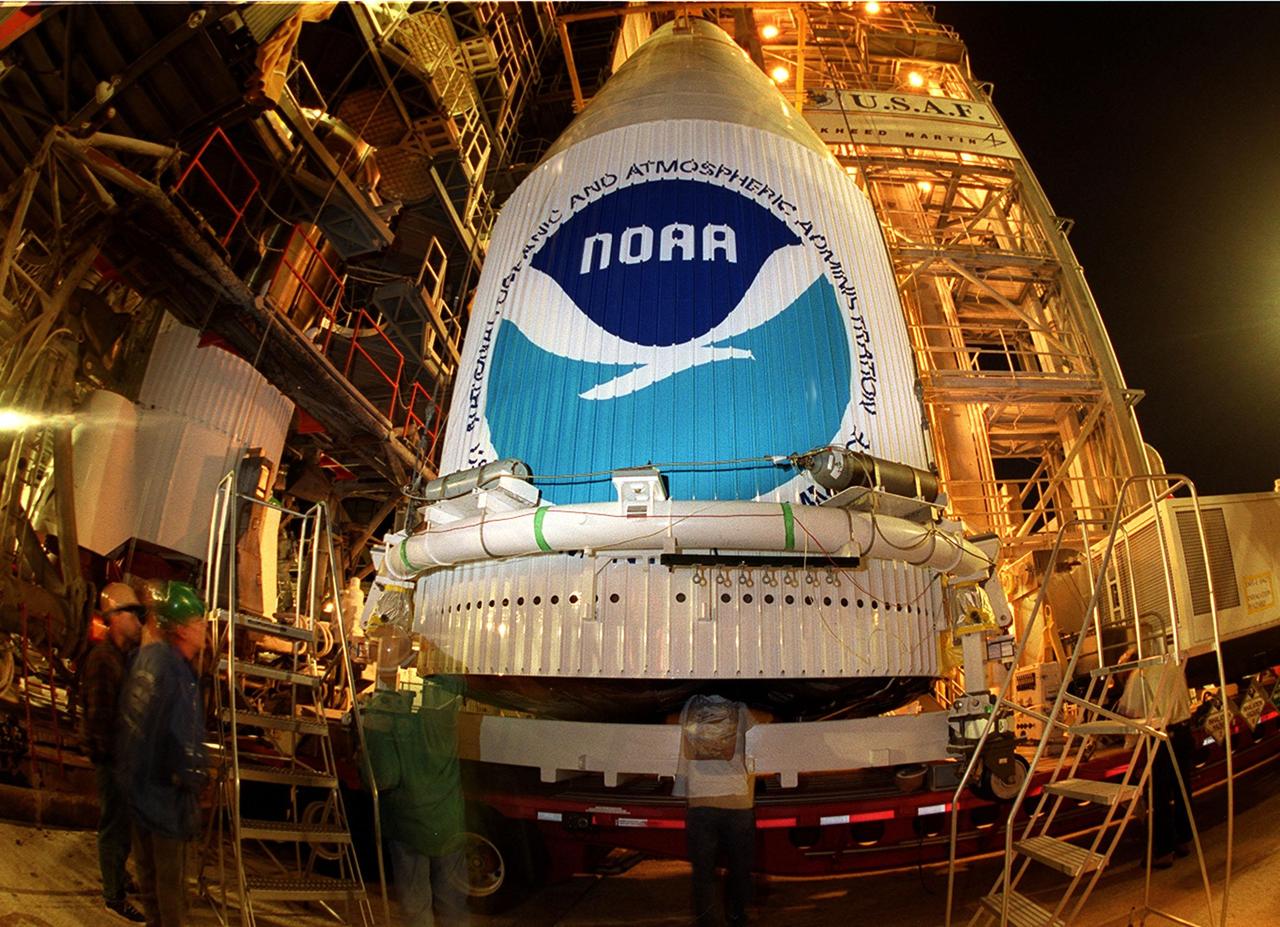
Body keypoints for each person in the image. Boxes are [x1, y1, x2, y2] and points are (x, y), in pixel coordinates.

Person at [116, 581, 208, 927]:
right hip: (166, 805)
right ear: (182, 629)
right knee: (173, 902)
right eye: (199, 623)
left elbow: (126, 723)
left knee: (151, 890)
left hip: (138, 797)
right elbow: (184, 745)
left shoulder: (144, 659)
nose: (205, 631)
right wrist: (200, 776)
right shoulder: (179, 675)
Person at [81, 582, 147, 923]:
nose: (139, 622)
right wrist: (115, 762)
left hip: (123, 759)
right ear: (116, 617)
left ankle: (118, 877)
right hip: (112, 761)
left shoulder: (124, 657)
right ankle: (113, 896)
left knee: (124, 824)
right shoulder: (104, 660)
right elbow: (99, 717)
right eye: (133, 615)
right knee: (114, 826)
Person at [674, 694, 756, 927]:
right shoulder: (740, 707)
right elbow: (761, 727)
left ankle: (706, 921)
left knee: (703, 872)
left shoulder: (689, 707)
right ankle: (737, 917)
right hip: (737, 800)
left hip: (701, 799)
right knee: (739, 868)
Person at [1119, 646, 1194, 869]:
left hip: (1162, 738)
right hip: (1183, 732)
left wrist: (1128, 748)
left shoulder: (1138, 674)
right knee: (1181, 789)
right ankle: (1183, 840)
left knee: (1158, 796)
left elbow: (1133, 716)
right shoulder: (1170, 664)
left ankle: (1163, 852)